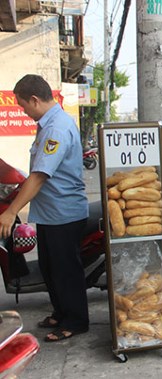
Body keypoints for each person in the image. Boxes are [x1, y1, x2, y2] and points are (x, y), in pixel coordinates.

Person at [0, 74, 89, 342]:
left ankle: (75, 321)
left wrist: (12, 210)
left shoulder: (57, 128)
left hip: (64, 213)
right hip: (51, 213)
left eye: (23, 106)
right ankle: (61, 312)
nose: (23, 112)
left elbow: (39, 175)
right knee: (51, 268)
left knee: (66, 270)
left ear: (35, 100)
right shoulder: (48, 124)